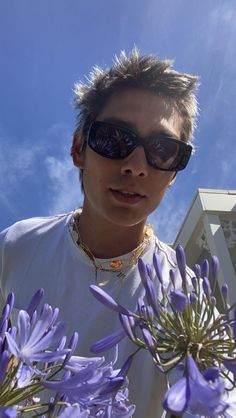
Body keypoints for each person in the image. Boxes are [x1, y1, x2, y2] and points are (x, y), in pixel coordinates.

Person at [0, 49, 199, 417]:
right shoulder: (15, 245)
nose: (136, 167)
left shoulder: (187, 292)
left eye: (163, 150)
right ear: (78, 148)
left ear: (173, 175)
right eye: (113, 139)